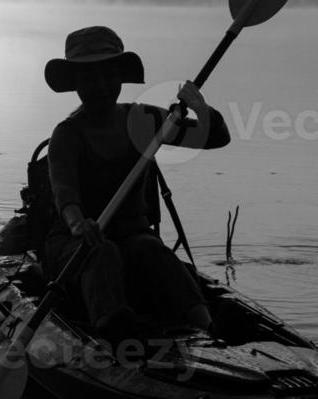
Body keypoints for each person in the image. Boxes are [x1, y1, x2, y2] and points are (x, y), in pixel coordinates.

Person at [41, 26, 230, 350]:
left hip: (133, 235)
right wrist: (79, 224)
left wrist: (200, 107)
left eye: (108, 75)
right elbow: (65, 195)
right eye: (89, 78)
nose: (100, 86)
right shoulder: (67, 135)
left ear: (120, 77)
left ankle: (208, 331)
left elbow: (216, 138)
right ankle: (119, 338)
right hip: (77, 245)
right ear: (75, 83)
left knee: (151, 250)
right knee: (103, 252)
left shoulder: (142, 121)